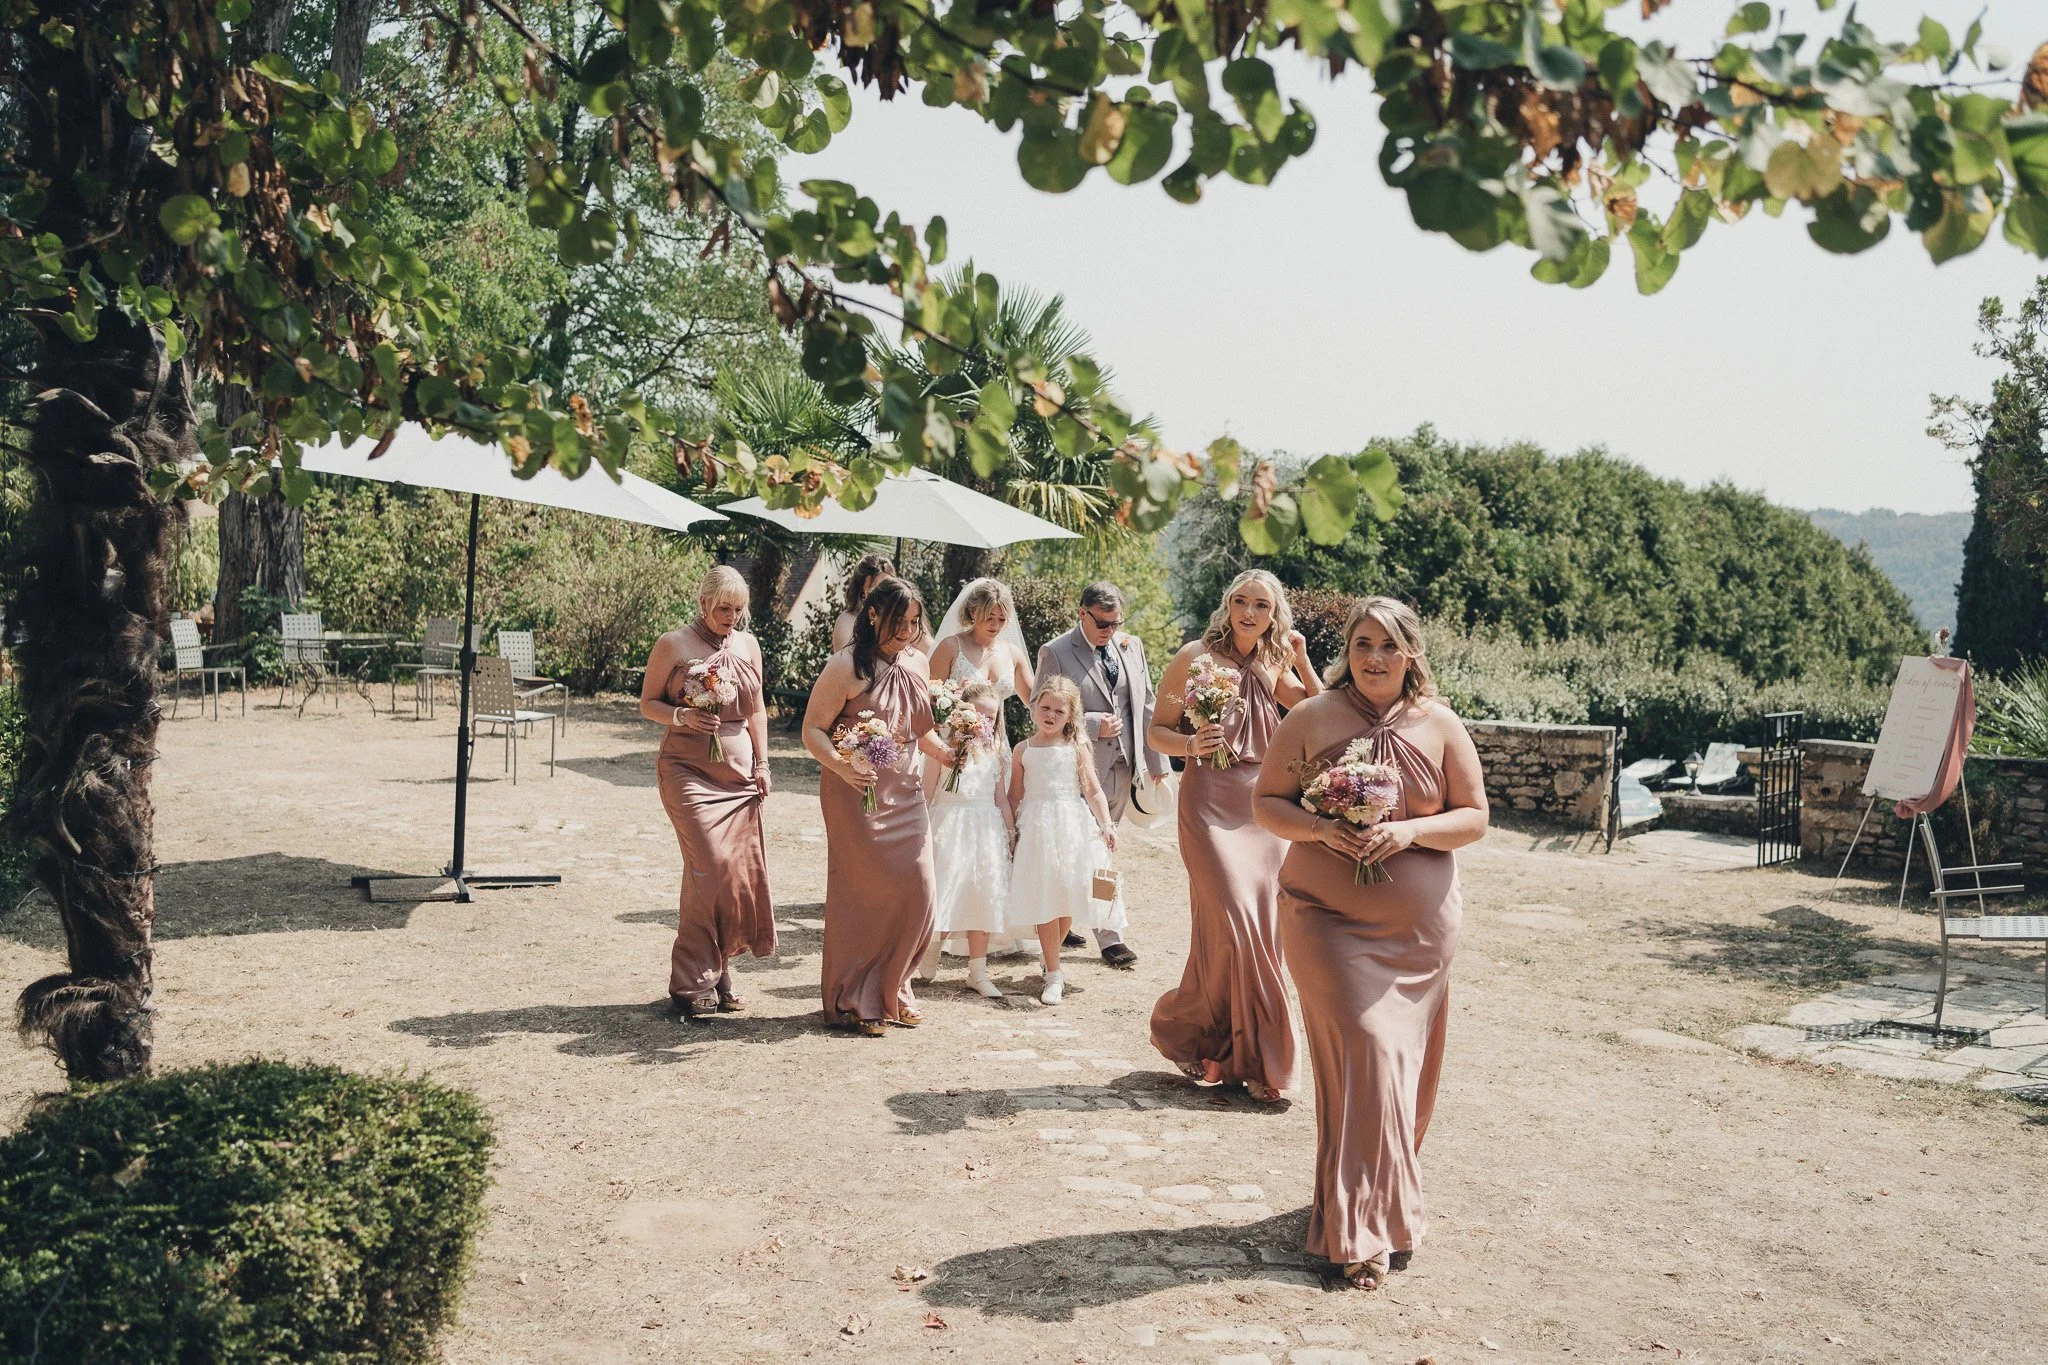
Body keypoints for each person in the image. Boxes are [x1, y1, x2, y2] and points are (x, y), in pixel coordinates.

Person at [1253, 596, 1488, 1292]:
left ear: (1411, 651)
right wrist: (1323, 830)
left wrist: (1411, 831)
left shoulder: (1440, 723)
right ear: (1347, 650)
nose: (1375, 657)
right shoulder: (1312, 716)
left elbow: (1475, 816)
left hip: (1414, 934)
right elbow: (1267, 803)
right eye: (1362, 643)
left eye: (1389, 644)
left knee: (1395, 1066)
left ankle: (1377, 1199)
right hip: (1323, 915)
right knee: (1366, 1046)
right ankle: (1359, 1229)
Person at [1147, 569, 1320, 1103]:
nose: (1249, 612)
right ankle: (1258, 1055)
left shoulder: (1274, 660)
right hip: (1208, 807)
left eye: (1261, 605)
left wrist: (1303, 659)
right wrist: (1191, 745)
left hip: (1263, 809)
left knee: (1257, 931)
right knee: (1233, 918)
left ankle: (1221, 1048)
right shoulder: (1194, 656)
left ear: (1275, 614)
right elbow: (1157, 730)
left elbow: (1320, 711)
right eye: (1241, 602)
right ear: (1227, 605)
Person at [803, 576, 954, 1036]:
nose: (908, 632)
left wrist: (946, 751)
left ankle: (895, 987)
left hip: (905, 795)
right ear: (872, 615)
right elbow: (813, 731)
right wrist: (842, 767)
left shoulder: (916, 661)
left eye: (914, 623)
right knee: (864, 897)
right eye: (898, 623)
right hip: (855, 794)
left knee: (920, 890)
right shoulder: (845, 666)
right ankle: (857, 998)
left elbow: (919, 728)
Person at [638, 566, 775, 1019]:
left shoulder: (748, 645)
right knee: (710, 866)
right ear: (702, 603)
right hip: (686, 770)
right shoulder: (673, 644)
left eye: (738, 610)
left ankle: (715, 973)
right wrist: (681, 717)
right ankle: (695, 977)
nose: (731, 617)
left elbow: (755, 709)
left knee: (730, 874)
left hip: (738, 776)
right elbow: (648, 704)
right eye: (723, 609)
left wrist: (762, 762)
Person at [1034, 581, 1167, 969]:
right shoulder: (1055, 652)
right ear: (1082, 613)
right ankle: (1110, 937)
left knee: (1101, 850)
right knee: (1086, 853)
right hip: (1078, 770)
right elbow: (1038, 707)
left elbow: (1146, 706)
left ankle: (1080, 921)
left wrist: (1156, 766)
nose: (1111, 631)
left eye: (1116, 622)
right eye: (1103, 623)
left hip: (1124, 768)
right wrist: (1091, 724)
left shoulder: (1132, 645)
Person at [1005, 675, 1119, 1005]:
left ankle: (1050, 953)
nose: (1051, 715)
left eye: (1059, 710)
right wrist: (1009, 833)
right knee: (1045, 895)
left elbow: (1093, 790)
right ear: (1034, 708)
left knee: (1069, 895)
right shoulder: (1023, 750)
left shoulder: (1077, 747)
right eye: (1045, 708)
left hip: (1073, 826)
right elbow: (1014, 795)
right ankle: (1054, 973)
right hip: (1038, 827)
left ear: (1070, 715)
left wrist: (1108, 825)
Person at [922, 678, 1010, 998]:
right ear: (962, 713)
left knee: (982, 896)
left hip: (985, 828)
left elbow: (1000, 798)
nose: (985, 722)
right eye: (979, 715)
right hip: (950, 825)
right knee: (948, 891)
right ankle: (932, 948)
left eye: (992, 717)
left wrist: (1010, 833)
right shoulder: (943, 750)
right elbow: (926, 793)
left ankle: (978, 971)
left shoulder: (996, 752)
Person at [831, 552, 932, 655]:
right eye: (876, 589)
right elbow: (846, 659)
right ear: (862, 593)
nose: (885, 594)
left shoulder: (908, 620)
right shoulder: (847, 620)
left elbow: (932, 653)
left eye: (889, 586)